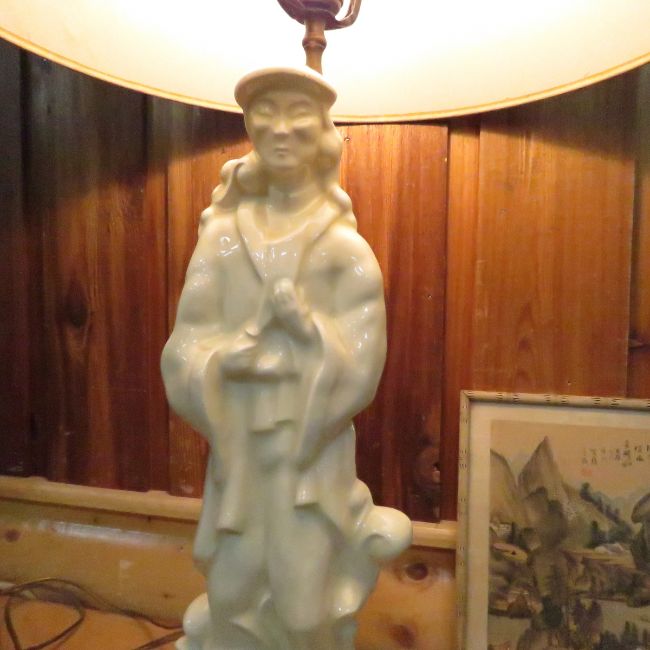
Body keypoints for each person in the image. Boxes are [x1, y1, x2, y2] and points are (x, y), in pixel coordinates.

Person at [162, 67, 411, 650]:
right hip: (241, 458)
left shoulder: (343, 250)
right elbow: (185, 345)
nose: (279, 129)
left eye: (297, 114)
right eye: (264, 113)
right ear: (250, 127)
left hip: (306, 463)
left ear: (323, 132)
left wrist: (307, 333)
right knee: (230, 595)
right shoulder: (222, 239)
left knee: (303, 611)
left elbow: (363, 364)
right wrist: (227, 362)